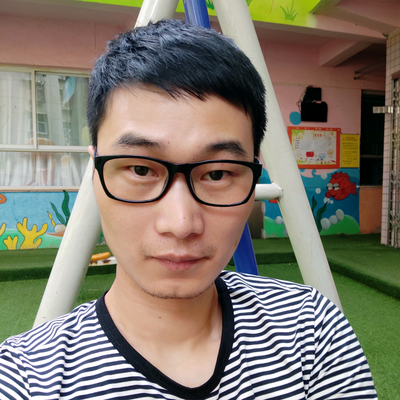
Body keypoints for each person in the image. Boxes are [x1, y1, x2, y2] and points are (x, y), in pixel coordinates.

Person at [0, 19, 377, 399]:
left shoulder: (310, 329)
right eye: (141, 169)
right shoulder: (25, 377)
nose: (181, 224)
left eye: (217, 174)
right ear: (95, 171)